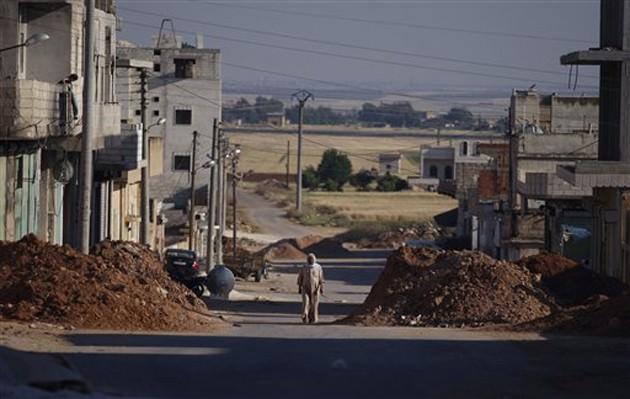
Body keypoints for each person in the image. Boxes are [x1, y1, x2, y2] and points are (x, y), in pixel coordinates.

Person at [297, 253, 324, 324]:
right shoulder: (304, 267)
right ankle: (304, 316)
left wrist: (321, 288)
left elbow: (321, 279)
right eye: (309, 259)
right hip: (305, 287)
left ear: (314, 259)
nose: (310, 260)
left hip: (315, 288)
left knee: (314, 304)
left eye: (311, 259)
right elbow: (300, 277)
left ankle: (313, 318)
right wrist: (299, 288)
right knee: (305, 302)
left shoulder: (318, 267)